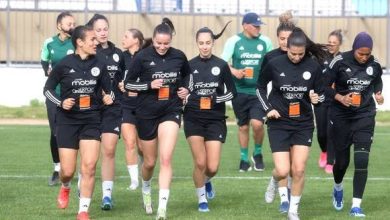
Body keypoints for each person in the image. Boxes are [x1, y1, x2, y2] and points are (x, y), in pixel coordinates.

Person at [43, 25, 114, 220]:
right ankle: (65, 187)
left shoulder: (100, 63)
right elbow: (47, 89)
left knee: (89, 166)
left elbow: (110, 89)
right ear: (80, 42)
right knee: (67, 171)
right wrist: (61, 102)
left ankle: (83, 210)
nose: (96, 42)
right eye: (92, 39)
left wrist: (109, 97)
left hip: (92, 119)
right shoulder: (64, 64)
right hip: (67, 121)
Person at [257, 27, 327, 220]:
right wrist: (267, 108)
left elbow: (321, 93)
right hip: (278, 122)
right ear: (286, 48)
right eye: (292, 53)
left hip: (303, 123)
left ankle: (293, 211)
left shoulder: (313, 66)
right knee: (282, 170)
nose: (296, 57)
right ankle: (274, 180)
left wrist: (316, 98)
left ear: (305, 50)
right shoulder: (274, 63)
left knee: (299, 169)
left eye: (300, 54)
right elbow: (260, 87)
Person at [124, 18, 190, 220]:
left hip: (171, 110)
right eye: (158, 43)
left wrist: (186, 89)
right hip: (146, 113)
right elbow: (128, 85)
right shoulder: (142, 57)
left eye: (166, 43)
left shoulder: (179, 56)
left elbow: (188, 76)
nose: (162, 47)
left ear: (171, 40)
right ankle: (145, 187)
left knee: (166, 158)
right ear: (153, 40)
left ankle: (162, 207)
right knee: (150, 163)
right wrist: (148, 86)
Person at [326, 32, 384, 217]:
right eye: (361, 53)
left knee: (361, 160)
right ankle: (337, 186)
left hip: (365, 115)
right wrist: (340, 97)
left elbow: (377, 80)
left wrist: (378, 93)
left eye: (367, 54)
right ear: (354, 49)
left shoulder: (374, 65)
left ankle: (356, 205)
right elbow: (323, 86)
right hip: (341, 116)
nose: (364, 57)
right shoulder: (339, 62)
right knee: (342, 163)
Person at [185, 22, 236, 212]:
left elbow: (232, 93)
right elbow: (184, 91)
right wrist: (190, 98)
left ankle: (206, 181)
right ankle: (201, 200)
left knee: (212, 167)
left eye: (208, 42)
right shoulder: (189, 66)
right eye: (201, 43)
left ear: (213, 43)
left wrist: (215, 99)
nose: (204, 46)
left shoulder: (221, 65)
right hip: (193, 119)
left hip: (215, 119)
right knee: (200, 162)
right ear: (197, 44)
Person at [221, 12, 273, 172]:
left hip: (258, 91)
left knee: (257, 124)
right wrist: (235, 71)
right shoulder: (234, 41)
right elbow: (222, 64)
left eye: (259, 26)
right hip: (239, 91)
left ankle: (257, 153)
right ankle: (244, 158)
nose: (258, 28)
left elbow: (272, 63)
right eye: (255, 25)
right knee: (243, 127)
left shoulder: (265, 42)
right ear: (245, 25)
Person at [86, 14, 125, 210]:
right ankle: (82, 182)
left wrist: (125, 86)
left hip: (113, 108)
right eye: (98, 29)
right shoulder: (89, 54)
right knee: (89, 157)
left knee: (109, 150)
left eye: (105, 29)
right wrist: (102, 94)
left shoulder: (118, 53)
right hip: (92, 109)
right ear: (92, 31)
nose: (102, 33)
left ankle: (107, 196)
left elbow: (123, 78)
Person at [261, 11, 295, 214]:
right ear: (277, 38)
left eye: (289, 39)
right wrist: (267, 108)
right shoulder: (271, 57)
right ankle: (284, 198)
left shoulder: (302, 56)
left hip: (298, 116)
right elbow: (261, 85)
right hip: (277, 114)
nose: (285, 43)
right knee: (283, 163)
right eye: (282, 39)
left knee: (293, 162)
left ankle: (276, 181)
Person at [40, 11, 75, 186]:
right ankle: (57, 168)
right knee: (55, 132)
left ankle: (74, 168)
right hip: (54, 94)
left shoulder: (76, 42)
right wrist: (47, 70)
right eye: (69, 24)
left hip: (72, 95)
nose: (72, 27)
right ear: (59, 25)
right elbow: (44, 59)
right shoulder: (49, 42)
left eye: (73, 23)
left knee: (75, 131)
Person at [120, 28, 150, 190]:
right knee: (129, 142)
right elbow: (116, 78)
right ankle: (134, 181)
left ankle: (144, 170)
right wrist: (119, 85)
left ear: (136, 40)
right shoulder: (121, 57)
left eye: (126, 36)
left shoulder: (146, 57)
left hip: (144, 105)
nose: (123, 39)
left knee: (141, 147)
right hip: (126, 105)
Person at [315, 29, 343, 174]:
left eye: (334, 43)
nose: (331, 45)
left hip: (335, 101)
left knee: (331, 131)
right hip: (321, 99)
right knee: (321, 133)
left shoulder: (342, 60)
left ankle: (330, 161)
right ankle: (324, 151)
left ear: (340, 45)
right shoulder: (320, 57)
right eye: (329, 42)